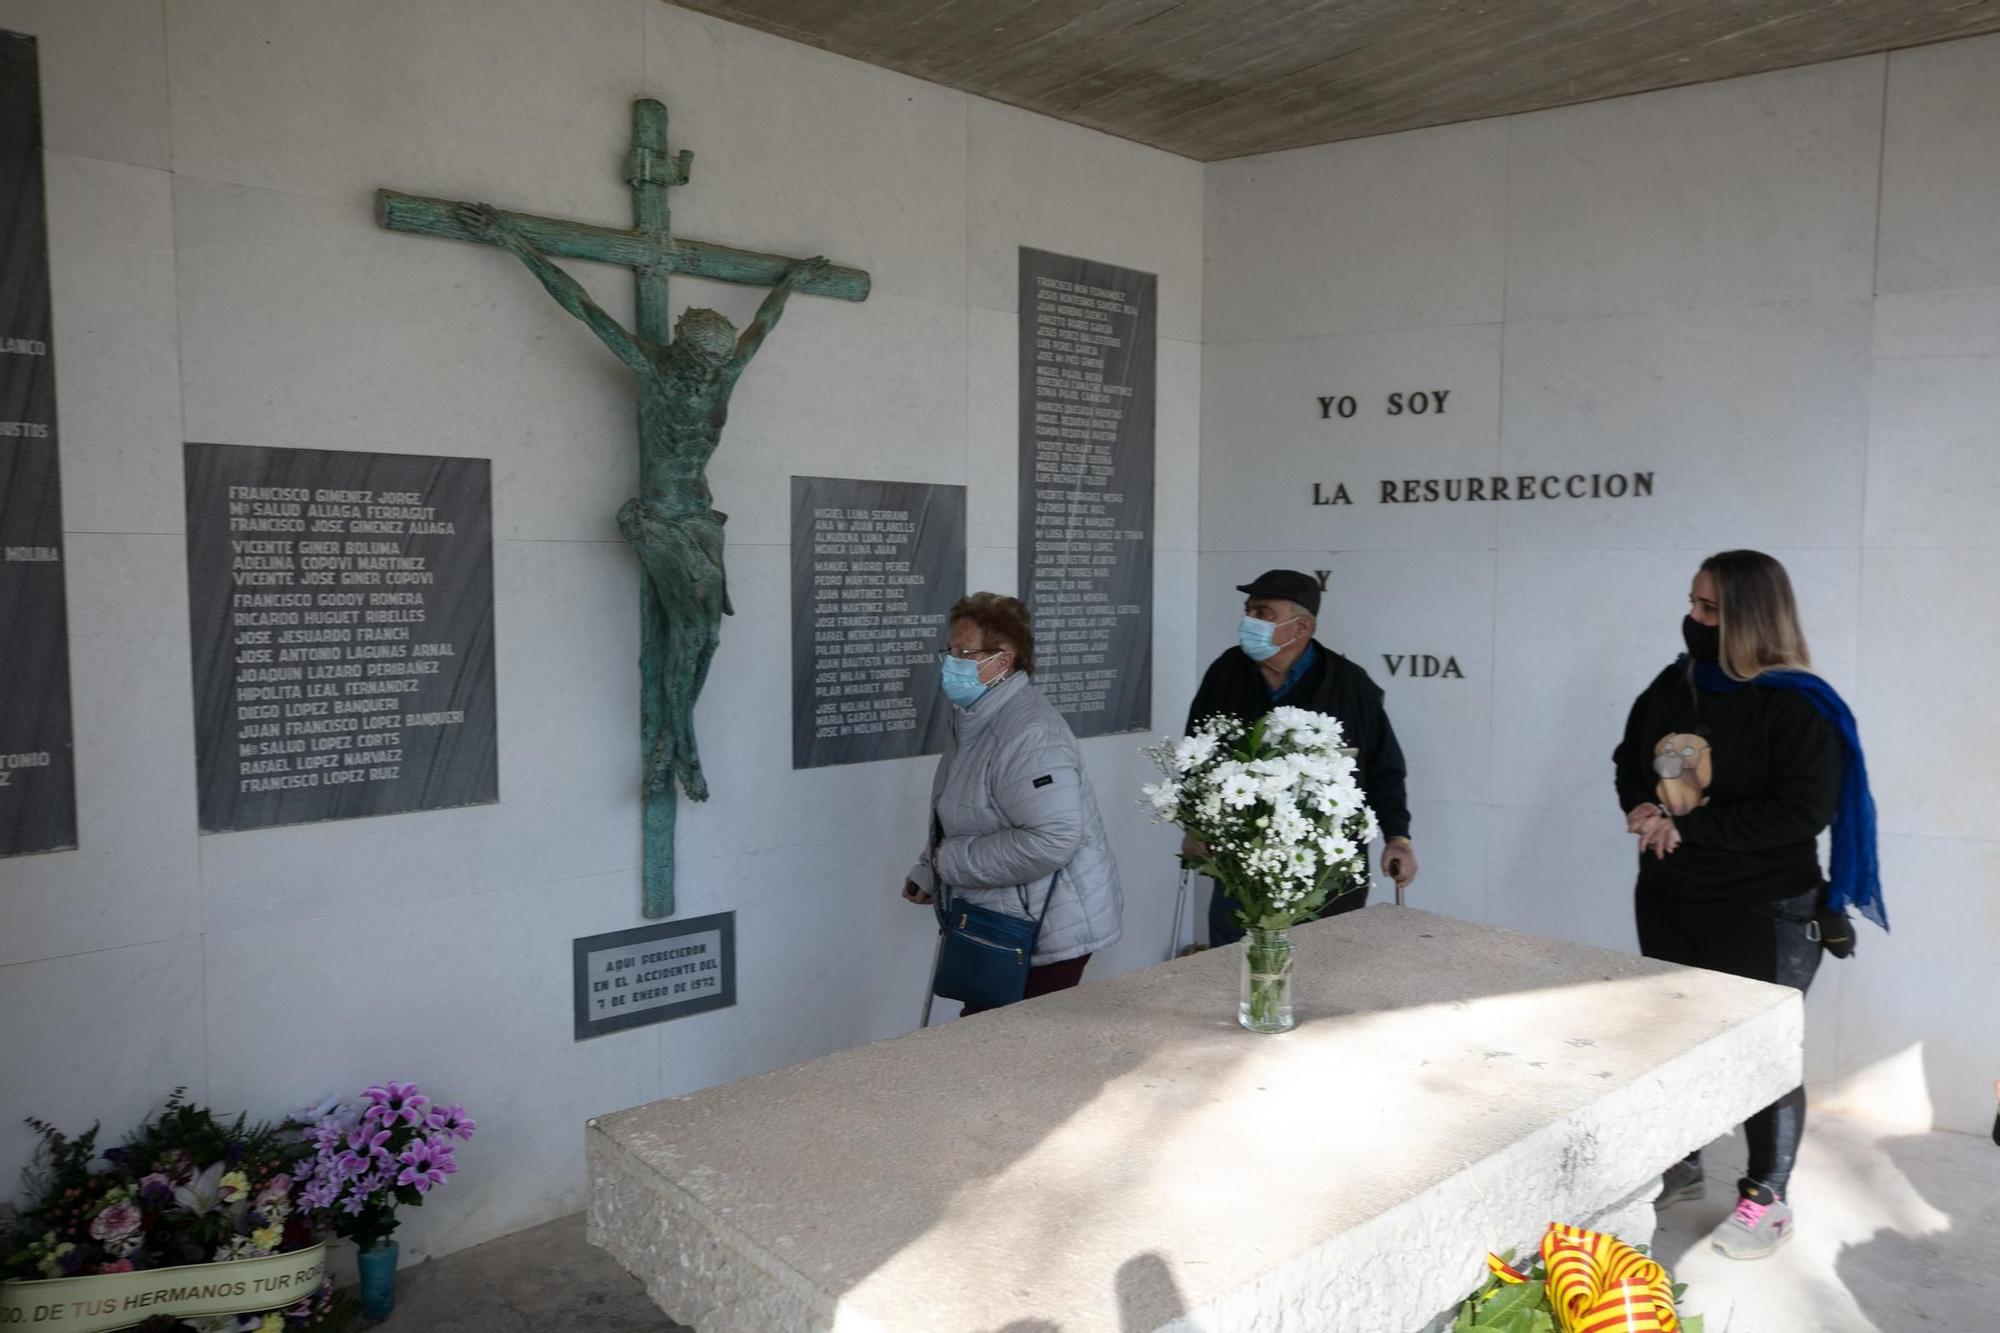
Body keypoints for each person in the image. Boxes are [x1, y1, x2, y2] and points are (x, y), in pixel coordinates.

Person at [1615, 550, 1884, 1260]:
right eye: (1694, 602)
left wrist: (1691, 825)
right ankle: (1683, 1161)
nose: (1694, 619)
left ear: (1750, 619)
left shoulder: (1795, 703)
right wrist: (1641, 803)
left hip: (1764, 907)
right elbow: (1627, 755)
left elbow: (1801, 811)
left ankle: (1767, 1194)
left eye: (1711, 609)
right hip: (1670, 894)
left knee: (1759, 1056)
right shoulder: (1674, 684)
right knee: (1674, 1041)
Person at [902, 593, 1123, 1013]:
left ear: (1002, 662)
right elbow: (964, 812)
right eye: (949, 651)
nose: (952, 662)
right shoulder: (974, 716)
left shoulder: (1030, 733)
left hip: (1048, 931)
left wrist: (945, 863)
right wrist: (929, 869)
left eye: (964, 653)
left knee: (1021, 1054)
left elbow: (1054, 839)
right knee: (990, 1042)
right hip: (1005, 921)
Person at [1184, 569, 1416, 946]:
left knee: (1323, 968)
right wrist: (1194, 827)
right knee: (1233, 965)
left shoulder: (1348, 684)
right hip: (1243, 858)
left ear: (1302, 626)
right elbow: (1196, 752)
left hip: (1326, 864)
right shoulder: (1227, 671)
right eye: (1247, 611)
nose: (1249, 622)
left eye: (1263, 613)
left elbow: (1383, 767)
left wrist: (1398, 838)